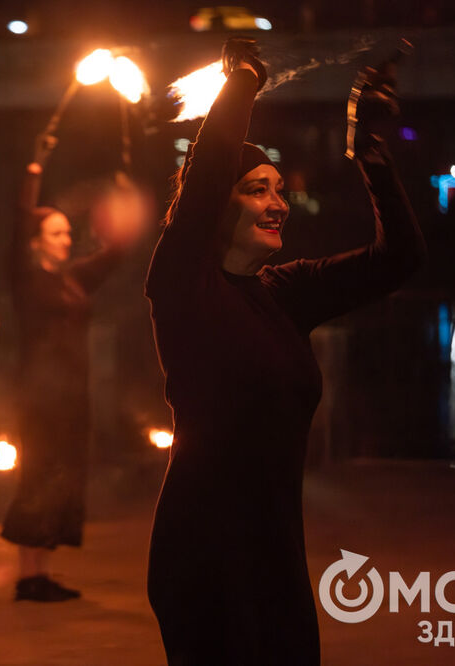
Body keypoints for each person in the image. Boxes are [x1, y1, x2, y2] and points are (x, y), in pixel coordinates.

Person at [144, 39, 426, 664]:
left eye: (279, 189)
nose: (278, 203)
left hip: (276, 551)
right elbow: (207, 171)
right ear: (219, 204)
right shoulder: (183, 284)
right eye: (255, 189)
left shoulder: (285, 291)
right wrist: (241, 80)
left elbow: (399, 260)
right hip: (203, 554)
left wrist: (371, 155)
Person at [0, 134, 144, 602]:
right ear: (37, 242)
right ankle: (27, 575)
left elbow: (113, 256)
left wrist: (123, 207)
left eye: (67, 232)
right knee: (38, 478)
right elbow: (20, 222)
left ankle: (41, 572)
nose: (66, 239)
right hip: (39, 399)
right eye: (57, 233)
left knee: (62, 478)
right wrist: (34, 170)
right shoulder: (28, 281)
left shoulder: (71, 280)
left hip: (70, 396)